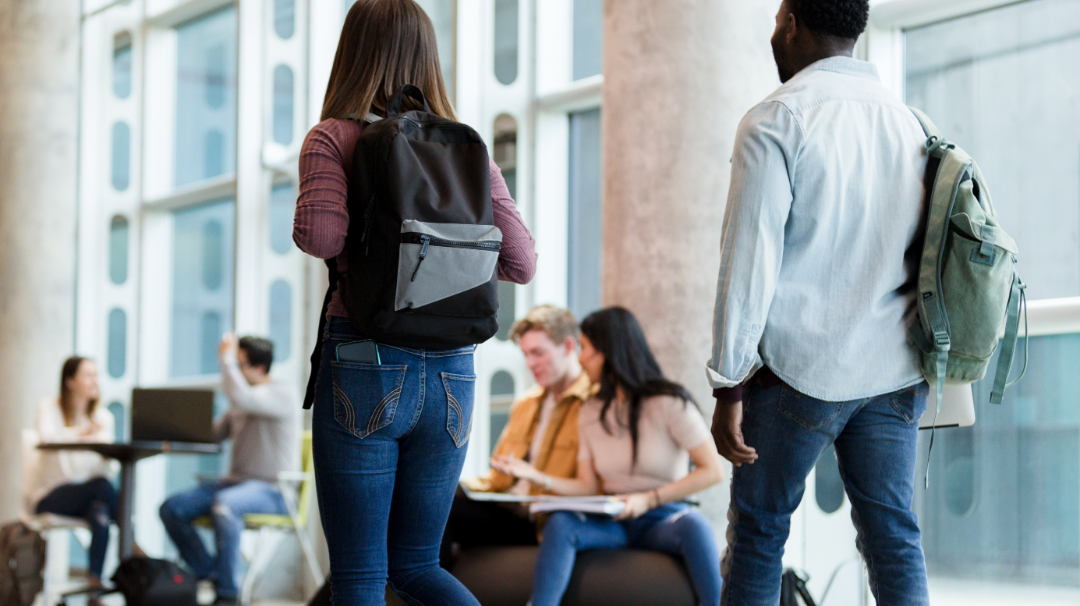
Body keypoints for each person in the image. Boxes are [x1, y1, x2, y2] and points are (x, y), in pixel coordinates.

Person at [293, 1, 537, 604]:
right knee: (419, 566)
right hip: (453, 375)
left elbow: (320, 236)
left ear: (350, 54)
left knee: (360, 577)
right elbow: (521, 262)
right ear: (430, 58)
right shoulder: (467, 153)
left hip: (366, 367)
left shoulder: (334, 136)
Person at [706, 1, 931, 604]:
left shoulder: (777, 118)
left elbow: (748, 261)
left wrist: (728, 384)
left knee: (758, 535)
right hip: (895, 369)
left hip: (797, 372)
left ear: (791, 24)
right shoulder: (912, 122)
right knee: (892, 537)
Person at [495, 307, 724, 606]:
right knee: (560, 522)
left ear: (608, 351)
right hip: (612, 519)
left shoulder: (670, 403)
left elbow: (713, 471)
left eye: (586, 349)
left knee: (694, 526)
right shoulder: (590, 410)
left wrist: (649, 499)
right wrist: (537, 477)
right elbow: (588, 486)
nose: (580, 357)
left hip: (662, 517)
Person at [442, 305, 592, 568]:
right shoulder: (527, 403)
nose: (530, 363)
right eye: (525, 354)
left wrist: (534, 477)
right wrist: (458, 486)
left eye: (538, 353)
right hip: (512, 508)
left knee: (447, 512)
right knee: (436, 497)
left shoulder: (592, 404)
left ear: (569, 346)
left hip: (544, 520)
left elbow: (592, 485)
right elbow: (499, 478)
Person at [160, 334, 300, 606]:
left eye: (239, 365)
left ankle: (227, 593)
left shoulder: (281, 394)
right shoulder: (240, 404)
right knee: (172, 508)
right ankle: (210, 572)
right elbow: (211, 434)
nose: (232, 370)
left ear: (260, 369)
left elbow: (241, 395)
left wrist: (225, 357)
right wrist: (173, 431)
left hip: (273, 491)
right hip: (235, 484)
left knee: (225, 505)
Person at [30, 356, 119, 597]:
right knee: (102, 489)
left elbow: (107, 467)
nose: (95, 381)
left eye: (96, 375)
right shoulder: (49, 408)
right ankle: (132, 546)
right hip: (50, 496)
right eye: (88, 375)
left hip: (89, 496)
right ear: (70, 381)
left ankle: (94, 584)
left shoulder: (103, 419)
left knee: (100, 511)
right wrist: (83, 434)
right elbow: (47, 438)